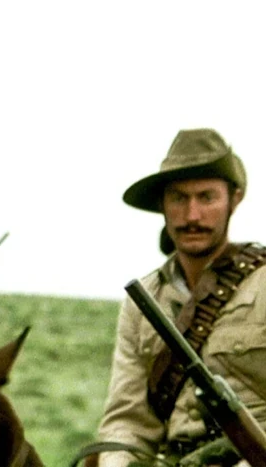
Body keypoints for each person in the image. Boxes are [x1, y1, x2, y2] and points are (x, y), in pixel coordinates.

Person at [95, 128, 265, 466]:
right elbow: (128, 421)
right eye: (178, 198)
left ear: (234, 200)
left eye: (206, 197)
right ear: (163, 204)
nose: (192, 216)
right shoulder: (143, 301)